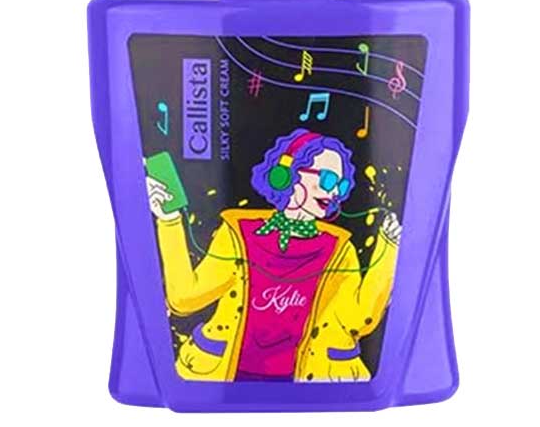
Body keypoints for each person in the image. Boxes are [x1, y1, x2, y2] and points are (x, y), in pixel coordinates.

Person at [147, 128, 401, 382]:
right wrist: (169, 221)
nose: (334, 192)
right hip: (225, 376)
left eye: (341, 185)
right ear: (287, 173)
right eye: (327, 179)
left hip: (307, 382)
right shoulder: (238, 233)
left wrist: (389, 247)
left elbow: (359, 320)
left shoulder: (339, 249)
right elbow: (184, 299)